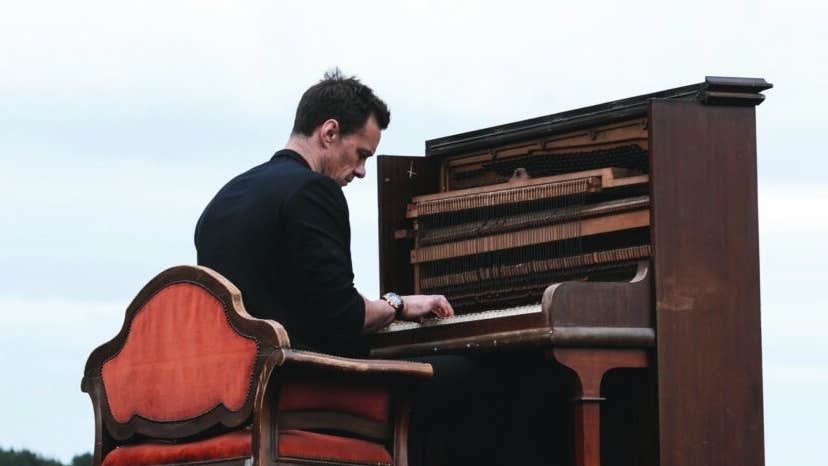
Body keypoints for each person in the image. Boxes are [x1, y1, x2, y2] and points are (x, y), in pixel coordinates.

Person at [194, 69, 453, 358]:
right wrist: (398, 304)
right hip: (305, 384)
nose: (362, 171)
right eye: (362, 154)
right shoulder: (313, 191)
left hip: (237, 390)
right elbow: (347, 317)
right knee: (474, 375)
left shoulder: (224, 198)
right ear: (329, 133)